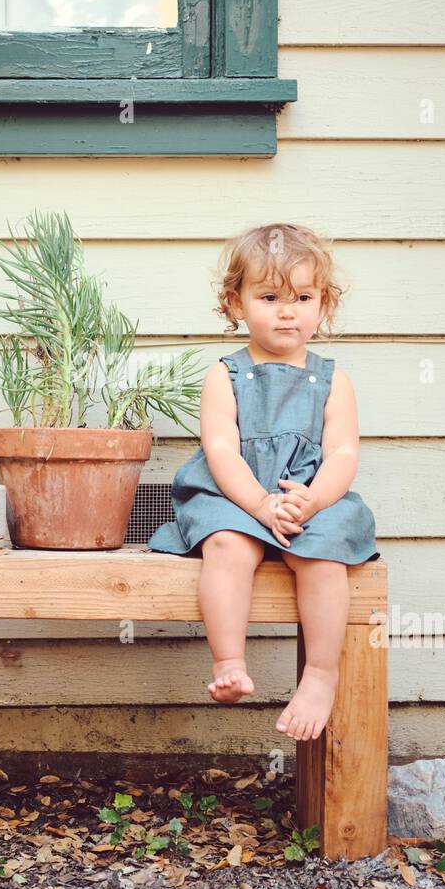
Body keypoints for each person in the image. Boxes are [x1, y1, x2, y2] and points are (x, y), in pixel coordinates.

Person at [148, 222, 381, 741]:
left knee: (322, 556)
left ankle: (320, 675)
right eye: (270, 296)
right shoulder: (224, 375)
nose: (287, 310)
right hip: (235, 495)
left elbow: (344, 452)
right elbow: (221, 450)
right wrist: (257, 504)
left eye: (302, 297)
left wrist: (314, 499)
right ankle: (228, 662)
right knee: (227, 546)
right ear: (235, 303)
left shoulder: (332, 379)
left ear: (323, 304)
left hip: (309, 496)